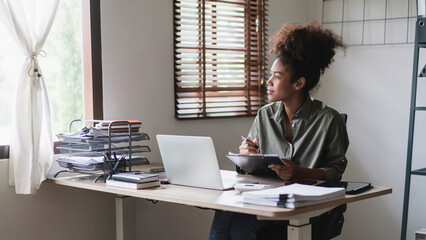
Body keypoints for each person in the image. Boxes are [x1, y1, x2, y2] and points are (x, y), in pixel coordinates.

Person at [209, 21, 349, 240]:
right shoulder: (265, 115)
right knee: (227, 213)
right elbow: (252, 170)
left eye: (277, 76)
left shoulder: (328, 120)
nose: (268, 82)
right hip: (267, 199)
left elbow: (335, 172)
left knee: (239, 221)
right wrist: (247, 158)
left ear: (298, 83)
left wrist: (299, 172)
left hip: (308, 206)